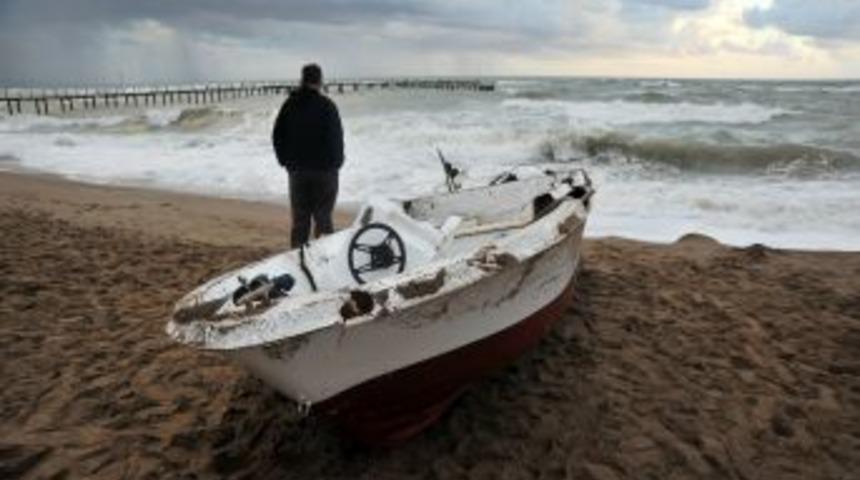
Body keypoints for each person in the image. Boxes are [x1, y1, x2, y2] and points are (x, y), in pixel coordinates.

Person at [272, 63, 344, 248]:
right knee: (323, 219)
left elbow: (277, 135)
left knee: (300, 220)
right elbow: (336, 138)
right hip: (325, 172)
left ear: (302, 80)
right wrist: (337, 163)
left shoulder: (290, 105)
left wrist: (284, 161)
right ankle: (324, 258)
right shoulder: (328, 106)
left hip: (297, 171)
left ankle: (298, 258)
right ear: (320, 81)